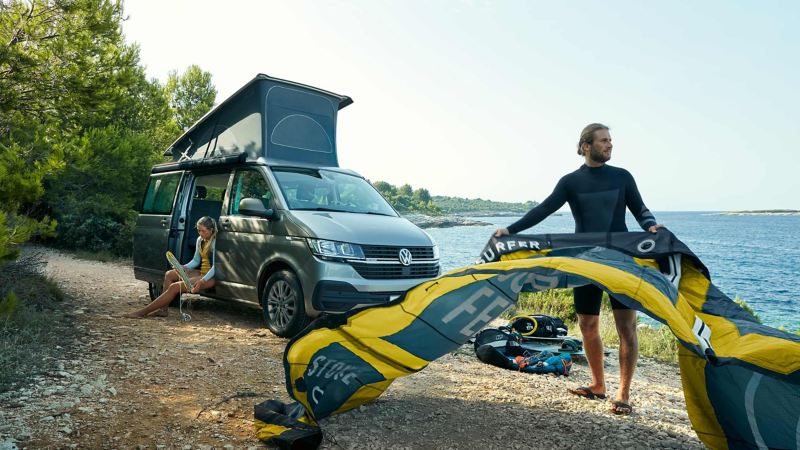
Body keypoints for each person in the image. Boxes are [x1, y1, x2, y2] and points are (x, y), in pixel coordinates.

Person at [494, 123, 663, 415]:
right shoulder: (571, 182)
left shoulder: (622, 177)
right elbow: (543, 210)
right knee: (587, 324)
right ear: (586, 146)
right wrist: (510, 230)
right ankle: (598, 385)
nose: (609, 145)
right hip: (586, 260)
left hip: (620, 260)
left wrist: (651, 226)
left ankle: (623, 393)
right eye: (603, 141)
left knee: (626, 327)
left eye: (611, 140)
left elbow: (641, 210)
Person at [124, 216, 218, 319]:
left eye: (203, 231)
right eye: (198, 230)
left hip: (210, 277)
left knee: (175, 287)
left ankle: (142, 313)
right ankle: (163, 310)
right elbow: (196, 260)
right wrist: (184, 267)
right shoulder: (200, 240)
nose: (200, 233)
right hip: (201, 272)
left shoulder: (216, 242)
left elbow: (216, 267)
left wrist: (202, 281)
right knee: (169, 274)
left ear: (211, 230)